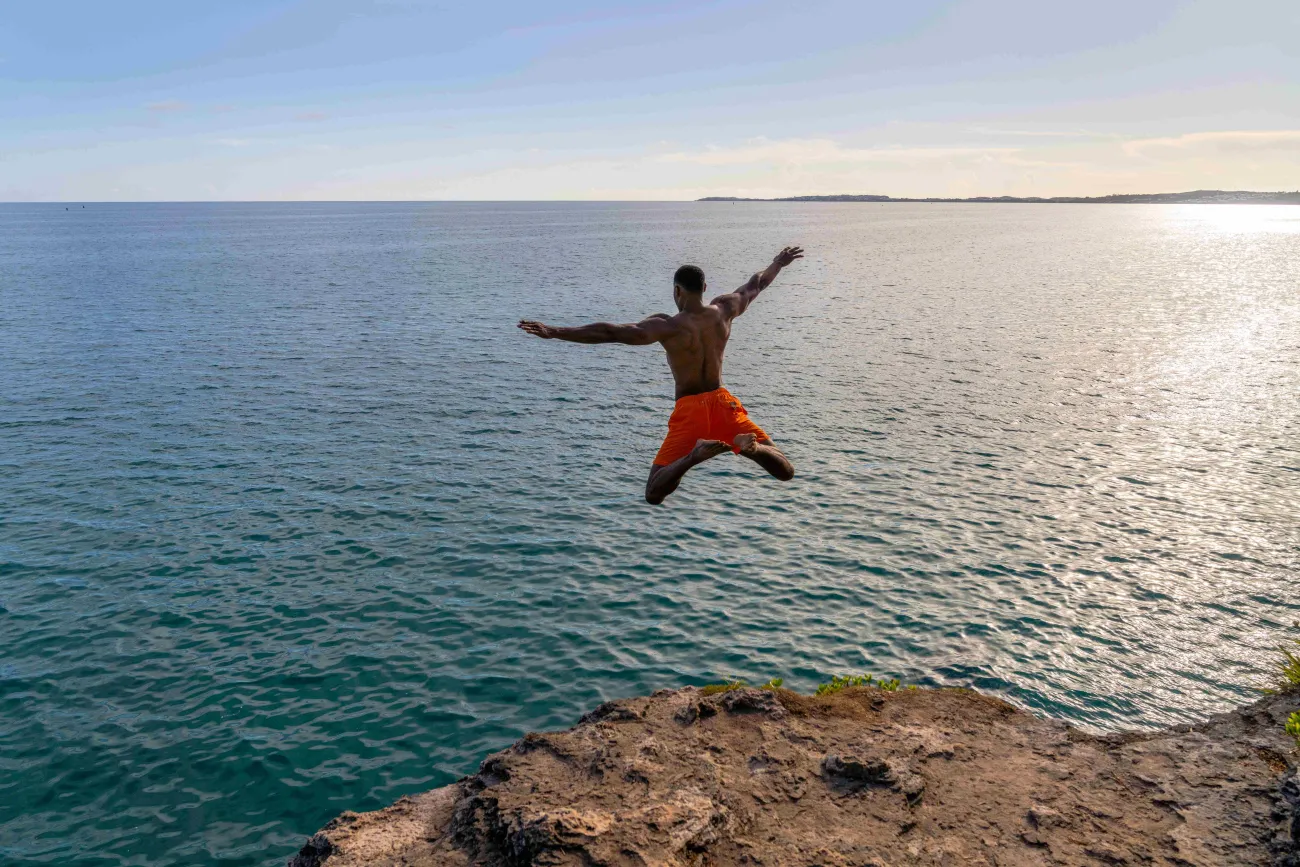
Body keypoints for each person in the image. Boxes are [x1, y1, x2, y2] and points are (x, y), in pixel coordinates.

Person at [518, 246, 804, 504]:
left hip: (690, 410)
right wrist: (778, 262)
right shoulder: (724, 309)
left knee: (654, 492)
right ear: (704, 288)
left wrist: (555, 331)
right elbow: (757, 284)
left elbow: (609, 332)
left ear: (677, 291)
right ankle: (753, 450)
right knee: (785, 469)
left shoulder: (667, 326)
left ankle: (694, 456)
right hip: (723, 403)